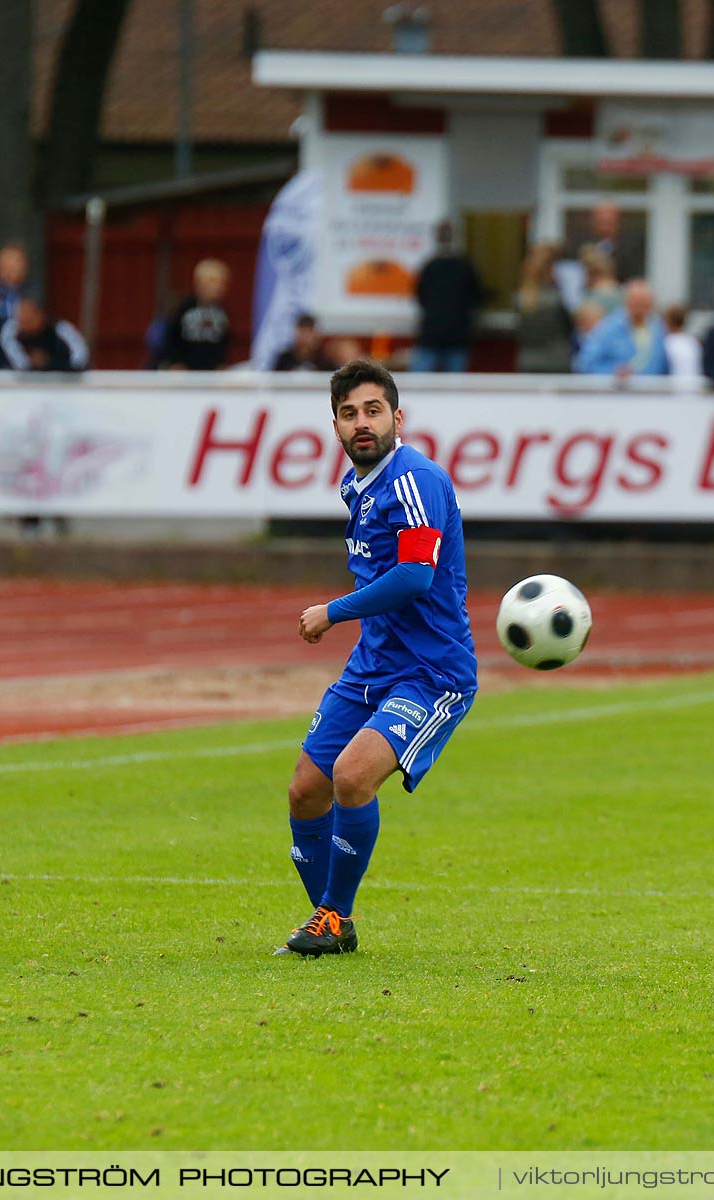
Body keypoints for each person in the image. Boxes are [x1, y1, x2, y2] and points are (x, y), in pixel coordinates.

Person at [280, 359, 479, 956]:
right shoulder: (357, 487)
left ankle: (335, 918)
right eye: (349, 414)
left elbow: (417, 575)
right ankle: (329, 920)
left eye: (372, 411)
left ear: (397, 417)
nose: (361, 423)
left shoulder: (417, 480)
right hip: (372, 666)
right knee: (304, 792)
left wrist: (333, 611)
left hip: (431, 672)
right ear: (336, 427)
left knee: (351, 776)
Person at [411, 222, 483, 373]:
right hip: (452, 334)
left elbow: (420, 297)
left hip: (437, 333)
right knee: (452, 388)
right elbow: (476, 299)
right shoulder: (464, 267)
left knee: (420, 386)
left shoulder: (430, 267)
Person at [574, 278, 667, 380]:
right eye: (637, 304)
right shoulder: (607, 329)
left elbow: (663, 365)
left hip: (652, 392)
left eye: (645, 305)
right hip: (619, 393)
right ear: (626, 302)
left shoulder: (658, 329)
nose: (641, 309)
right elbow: (585, 363)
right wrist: (612, 372)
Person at [152, 259, 231, 370]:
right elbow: (169, 338)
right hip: (184, 372)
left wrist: (221, 363)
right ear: (199, 282)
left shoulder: (222, 312)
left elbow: (224, 343)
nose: (218, 287)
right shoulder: (183, 308)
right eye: (213, 282)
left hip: (211, 373)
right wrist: (174, 361)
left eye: (222, 283)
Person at [512, 242, 573, 374]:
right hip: (557, 361)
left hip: (528, 360)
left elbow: (518, 331)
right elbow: (568, 328)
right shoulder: (556, 298)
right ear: (550, 270)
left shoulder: (520, 299)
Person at [0, 297, 89, 372]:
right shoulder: (11, 333)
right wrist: (31, 363)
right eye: (19, 318)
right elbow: (20, 365)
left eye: (27, 318)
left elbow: (79, 359)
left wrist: (48, 363)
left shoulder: (61, 330)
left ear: (39, 315)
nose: (22, 322)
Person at [272, 313, 337, 371]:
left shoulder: (324, 361)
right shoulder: (284, 360)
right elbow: (274, 379)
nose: (305, 338)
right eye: (302, 332)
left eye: (309, 333)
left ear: (316, 335)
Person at [662, 303, 702, 385]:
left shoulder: (666, 343)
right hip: (693, 387)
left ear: (667, 321)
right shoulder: (693, 342)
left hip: (673, 390)